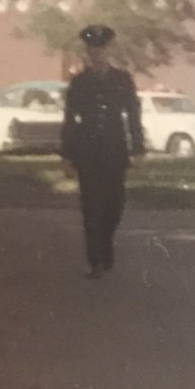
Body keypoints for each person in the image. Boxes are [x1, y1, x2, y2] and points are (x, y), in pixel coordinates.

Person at [61, 24, 144, 278]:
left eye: (100, 48)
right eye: (92, 48)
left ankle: (104, 247)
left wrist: (138, 147)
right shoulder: (80, 81)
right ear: (88, 51)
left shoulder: (122, 79)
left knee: (114, 205)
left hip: (114, 149)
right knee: (92, 206)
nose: (96, 53)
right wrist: (66, 154)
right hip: (87, 150)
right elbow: (69, 118)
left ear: (108, 49)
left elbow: (132, 114)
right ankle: (97, 260)